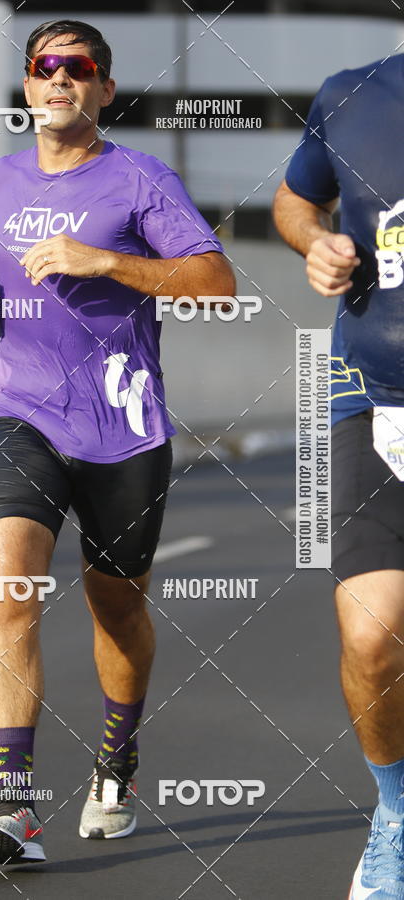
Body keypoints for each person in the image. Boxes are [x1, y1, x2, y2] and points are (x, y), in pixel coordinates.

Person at [0, 18, 235, 865]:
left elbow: (216, 283)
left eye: (79, 68)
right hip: (22, 414)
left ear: (105, 87)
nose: (59, 79)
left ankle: (118, 758)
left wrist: (108, 263)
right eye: (45, 67)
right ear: (29, 84)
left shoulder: (141, 179)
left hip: (124, 431)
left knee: (117, 610)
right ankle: (13, 810)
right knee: (9, 592)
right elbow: (1, 263)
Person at [273, 53, 404, 899]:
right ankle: (396, 810)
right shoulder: (353, 94)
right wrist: (317, 241)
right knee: (370, 633)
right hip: (373, 394)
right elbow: (294, 198)